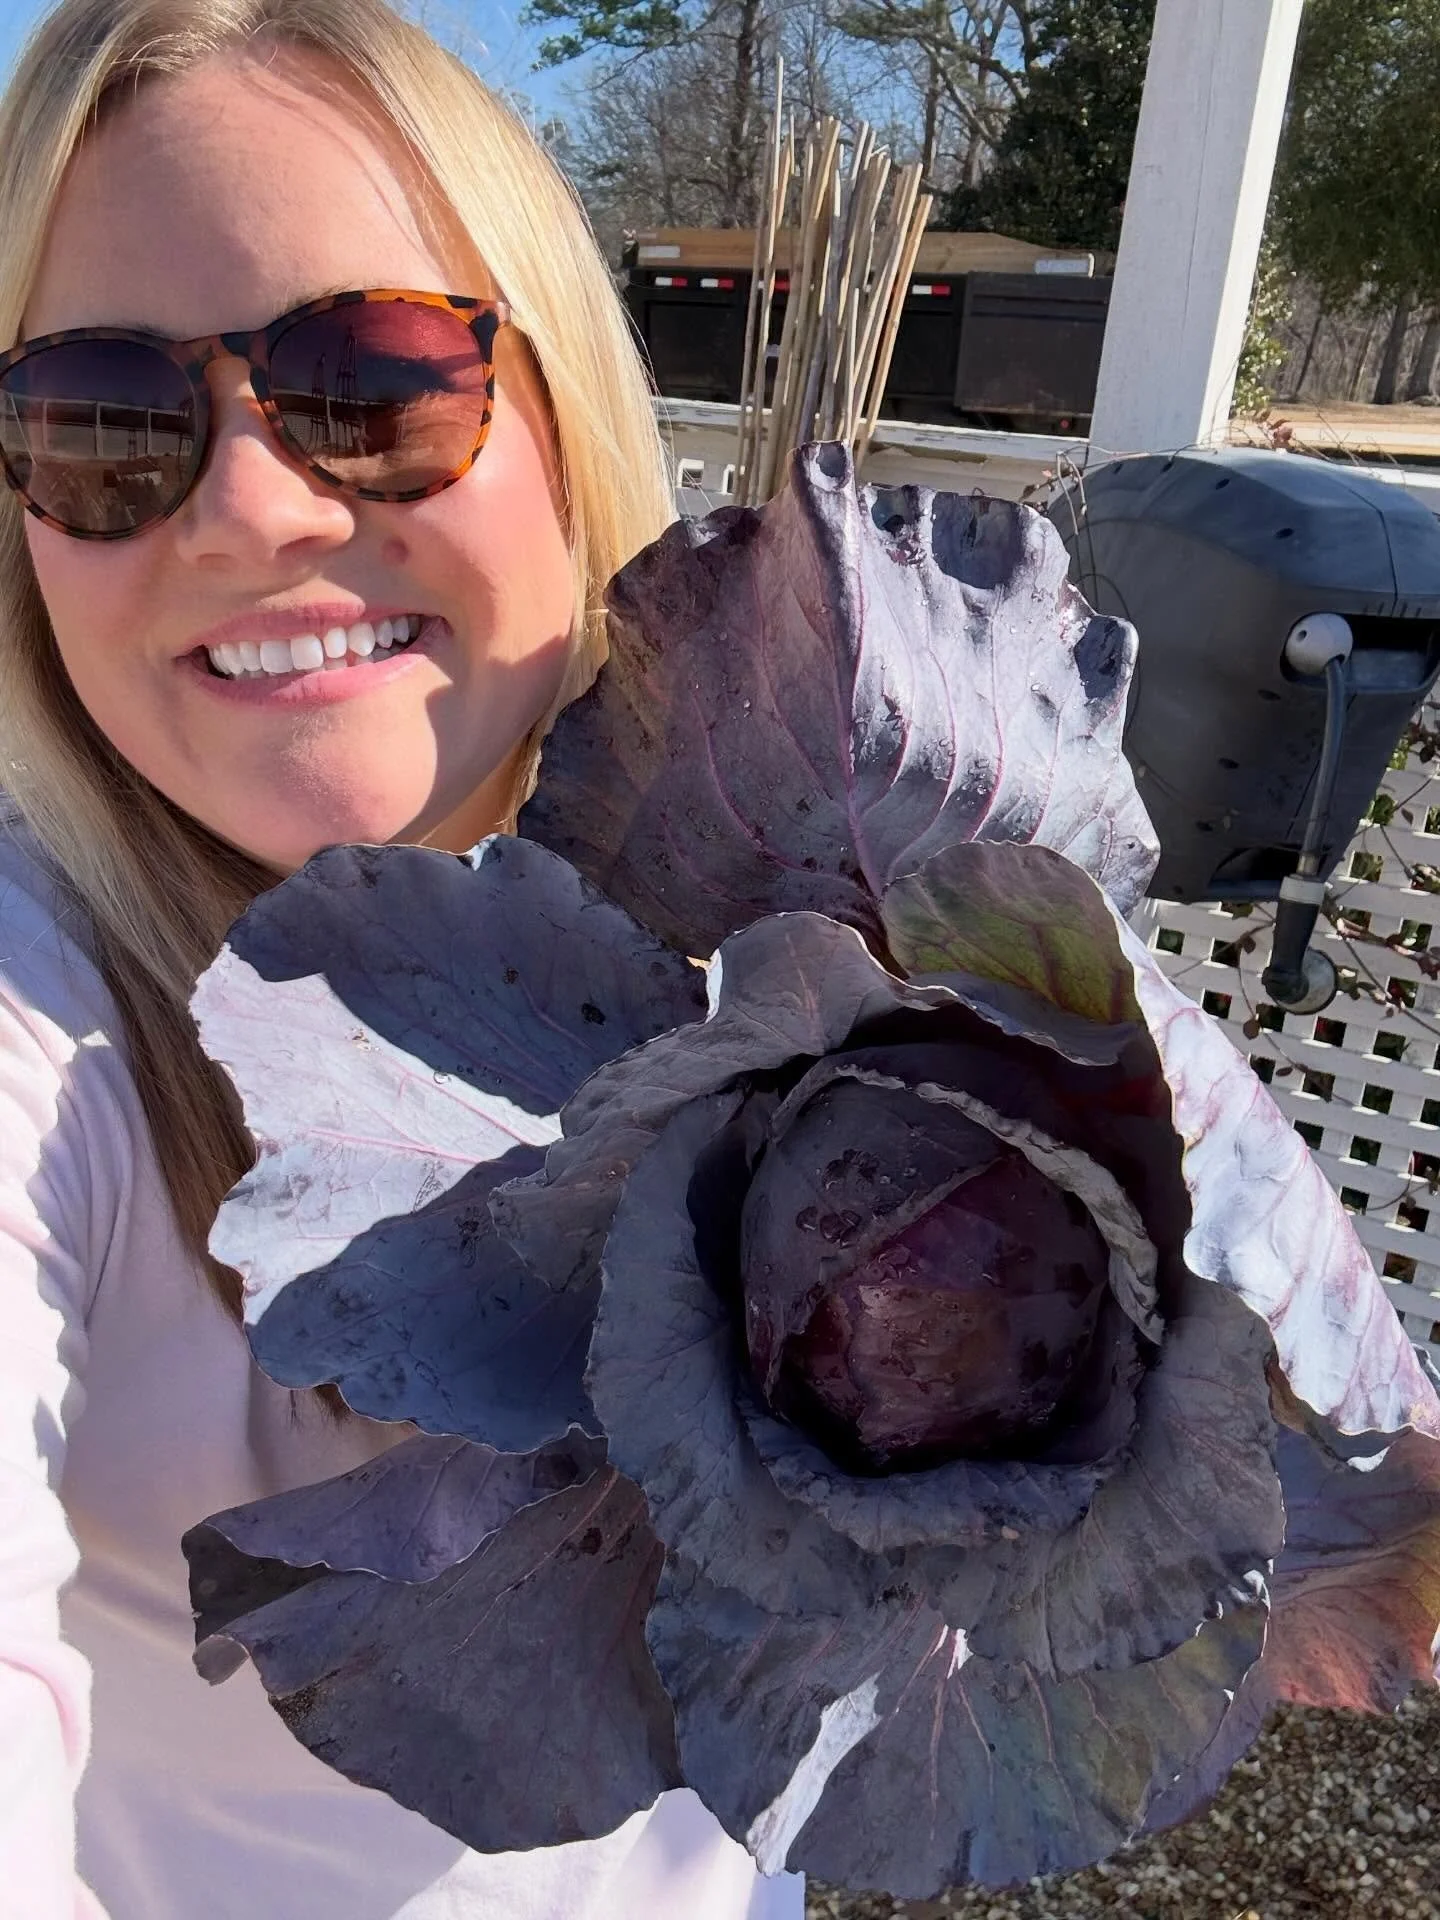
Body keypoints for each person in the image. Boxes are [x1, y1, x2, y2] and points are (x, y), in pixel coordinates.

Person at [0, 2, 805, 1914]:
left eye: (369, 381)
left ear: (568, 419)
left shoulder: (812, 925)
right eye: (103, 421)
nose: (256, 509)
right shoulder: (52, 1030)